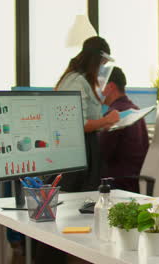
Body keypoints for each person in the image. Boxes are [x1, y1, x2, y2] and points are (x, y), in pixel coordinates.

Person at [54, 36, 120, 192]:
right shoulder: (75, 82)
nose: (101, 69)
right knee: (76, 200)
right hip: (76, 153)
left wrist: (103, 123)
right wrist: (106, 120)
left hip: (86, 150)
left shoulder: (81, 81)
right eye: (102, 64)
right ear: (95, 61)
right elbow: (78, 125)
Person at [99, 67, 149, 193]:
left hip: (118, 183)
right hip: (132, 181)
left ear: (110, 87)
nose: (96, 90)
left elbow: (101, 152)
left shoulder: (115, 115)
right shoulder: (133, 109)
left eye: (99, 85)